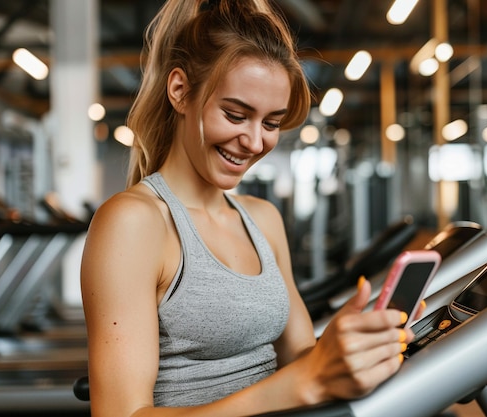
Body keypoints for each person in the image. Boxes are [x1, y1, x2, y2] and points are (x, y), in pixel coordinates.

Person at [80, 1, 415, 416]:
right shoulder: (134, 223)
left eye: (271, 123)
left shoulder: (262, 218)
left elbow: (301, 358)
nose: (255, 143)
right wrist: (302, 383)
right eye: (236, 115)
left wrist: (344, 344)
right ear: (180, 91)